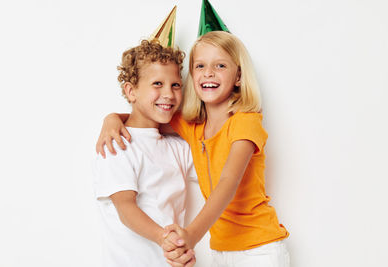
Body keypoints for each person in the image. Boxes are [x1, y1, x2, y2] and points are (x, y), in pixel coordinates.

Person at [96, 31, 290, 267]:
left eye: (220, 65)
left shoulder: (245, 121)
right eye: (200, 66)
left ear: (239, 76)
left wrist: (191, 236)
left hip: (259, 247)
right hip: (221, 250)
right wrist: (112, 118)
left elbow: (228, 183)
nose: (208, 72)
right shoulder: (192, 129)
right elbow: (149, 118)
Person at [93, 39, 196, 267]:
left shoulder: (178, 146)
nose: (168, 94)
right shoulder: (116, 144)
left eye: (176, 85)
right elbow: (126, 208)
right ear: (131, 91)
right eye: (157, 84)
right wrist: (164, 237)